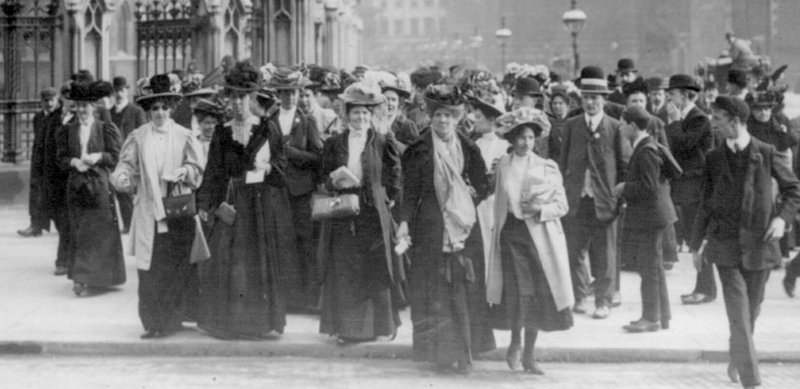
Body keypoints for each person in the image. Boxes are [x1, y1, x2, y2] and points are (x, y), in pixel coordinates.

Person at [691, 96, 800, 389]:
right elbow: (705, 203)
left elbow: (794, 190)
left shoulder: (766, 153)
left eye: (718, 119)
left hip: (761, 247)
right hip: (725, 247)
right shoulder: (714, 158)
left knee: (750, 313)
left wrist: (781, 220)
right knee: (738, 314)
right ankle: (751, 381)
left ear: (735, 121)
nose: (713, 124)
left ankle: (738, 355)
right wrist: (696, 244)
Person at [397, 83, 496, 373]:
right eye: (438, 115)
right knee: (436, 291)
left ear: (457, 118)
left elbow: (482, 184)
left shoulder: (468, 146)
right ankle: (441, 354)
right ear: (431, 116)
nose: (443, 121)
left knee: (464, 289)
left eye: (449, 116)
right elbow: (409, 190)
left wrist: (470, 194)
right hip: (430, 226)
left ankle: (465, 353)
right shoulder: (419, 149)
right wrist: (403, 221)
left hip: (464, 227)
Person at [196, 62, 293, 339]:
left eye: (243, 97)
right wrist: (205, 205)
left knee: (254, 262)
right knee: (229, 262)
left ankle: (257, 323)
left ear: (251, 98)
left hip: (258, 206)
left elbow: (281, 166)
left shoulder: (266, 128)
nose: (238, 103)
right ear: (227, 98)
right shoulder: (222, 133)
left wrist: (269, 168)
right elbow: (213, 171)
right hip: (230, 205)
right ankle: (230, 323)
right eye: (233, 97)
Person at [111, 73, 206, 338]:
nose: (160, 113)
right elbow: (126, 164)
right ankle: (153, 322)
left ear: (172, 108)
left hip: (176, 209)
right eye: (155, 108)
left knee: (174, 265)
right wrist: (122, 175)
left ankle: (172, 319)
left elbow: (197, 167)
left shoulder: (184, 135)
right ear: (148, 110)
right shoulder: (139, 136)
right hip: (149, 210)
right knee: (150, 268)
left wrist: (185, 172)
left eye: (165, 107)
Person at [486, 107, 573, 375]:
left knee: (535, 295)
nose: (526, 143)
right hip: (510, 235)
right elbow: (499, 201)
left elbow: (562, 205)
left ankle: (530, 354)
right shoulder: (503, 164)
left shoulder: (546, 167)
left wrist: (540, 210)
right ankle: (514, 341)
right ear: (512, 139)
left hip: (537, 238)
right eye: (521, 137)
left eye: (531, 138)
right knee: (516, 293)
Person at [316, 82, 403, 344]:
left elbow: (395, 171)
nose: (361, 118)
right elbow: (323, 174)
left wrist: (389, 197)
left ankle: (379, 326)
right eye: (356, 113)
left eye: (365, 113)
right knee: (346, 268)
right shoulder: (335, 143)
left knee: (374, 267)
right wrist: (333, 181)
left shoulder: (382, 140)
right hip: (344, 210)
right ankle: (350, 329)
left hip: (373, 213)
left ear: (371, 115)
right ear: (347, 115)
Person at [57, 80, 126, 296]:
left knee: (100, 233)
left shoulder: (106, 128)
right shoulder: (68, 130)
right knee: (79, 232)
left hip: (99, 186)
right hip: (77, 186)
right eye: (77, 106)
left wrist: (97, 157)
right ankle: (81, 279)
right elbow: (60, 158)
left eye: (85, 106)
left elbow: (116, 157)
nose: (80, 111)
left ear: (94, 107)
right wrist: (73, 162)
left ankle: (101, 279)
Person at [264, 67, 323, 312]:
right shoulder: (269, 121)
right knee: (280, 242)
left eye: (294, 93)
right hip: (277, 191)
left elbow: (319, 156)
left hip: (301, 192)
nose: (290, 97)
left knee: (304, 242)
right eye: (285, 93)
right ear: (278, 94)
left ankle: (306, 300)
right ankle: (284, 300)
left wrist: (294, 154)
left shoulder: (307, 121)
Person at [616, 106, 677, 333]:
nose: (621, 128)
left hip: (651, 218)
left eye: (623, 124)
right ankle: (662, 316)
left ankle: (650, 318)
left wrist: (625, 187)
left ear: (633, 126)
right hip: (654, 216)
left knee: (648, 268)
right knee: (655, 267)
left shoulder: (645, 150)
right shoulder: (647, 145)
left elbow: (649, 188)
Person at [664, 74, 715, 305]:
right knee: (693, 235)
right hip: (687, 186)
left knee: (698, 236)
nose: (669, 98)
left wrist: (674, 122)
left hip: (697, 187)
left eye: (673, 94)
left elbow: (683, 144)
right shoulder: (687, 117)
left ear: (685, 95)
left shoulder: (699, 119)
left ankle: (706, 289)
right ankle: (703, 287)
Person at [19, 87, 61, 238]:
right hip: (39, 161)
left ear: (57, 100)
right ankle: (35, 225)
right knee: (37, 193)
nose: (49, 103)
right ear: (41, 102)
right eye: (46, 100)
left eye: (52, 100)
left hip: (55, 162)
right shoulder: (38, 117)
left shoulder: (60, 117)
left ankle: (64, 227)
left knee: (56, 195)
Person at [110, 76, 148, 233]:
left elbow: (143, 134)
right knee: (119, 190)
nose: (119, 94)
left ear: (127, 90)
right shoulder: (110, 112)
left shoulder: (136, 111)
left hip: (131, 157)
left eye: (122, 90)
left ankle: (134, 225)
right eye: (116, 90)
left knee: (129, 191)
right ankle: (128, 224)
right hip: (115, 157)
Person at [380, 77, 420, 153]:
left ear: (399, 103)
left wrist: (394, 141)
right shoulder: (374, 123)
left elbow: (415, 154)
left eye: (393, 100)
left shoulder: (407, 125)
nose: (390, 103)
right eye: (386, 99)